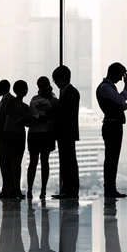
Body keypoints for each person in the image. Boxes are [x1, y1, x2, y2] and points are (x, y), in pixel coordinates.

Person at [96, 63, 127, 198]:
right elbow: (121, 101)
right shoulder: (105, 88)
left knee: (112, 158)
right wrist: (126, 87)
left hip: (113, 125)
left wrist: (122, 104)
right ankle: (109, 188)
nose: (121, 79)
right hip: (112, 126)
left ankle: (110, 188)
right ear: (114, 73)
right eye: (120, 76)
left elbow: (121, 103)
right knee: (111, 158)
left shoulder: (108, 88)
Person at [50, 65, 80, 199]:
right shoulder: (69, 92)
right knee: (67, 161)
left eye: (55, 80)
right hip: (67, 132)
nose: (55, 83)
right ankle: (68, 190)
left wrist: (52, 110)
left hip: (66, 132)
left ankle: (70, 191)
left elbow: (65, 114)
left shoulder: (70, 93)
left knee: (68, 162)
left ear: (61, 79)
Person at [26, 77, 58, 199]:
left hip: (40, 132)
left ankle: (38, 190)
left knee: (39, 162)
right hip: (41, 132)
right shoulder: (52, 100)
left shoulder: (52, 100)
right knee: (39, 162)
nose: (41, 89)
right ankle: (35, 190)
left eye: (42, 86)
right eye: (40, 86)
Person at [3, 80, 30, 199]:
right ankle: (15, 188)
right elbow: (27, 123)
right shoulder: (24, 106)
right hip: (17, 135)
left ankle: (12, 188)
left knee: (10, 162)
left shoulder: (12, 102)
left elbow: (6, 114)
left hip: (10, 134)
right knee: (15, 163)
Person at [0, 80, 14, 198]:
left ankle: (8, 189)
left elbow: (3, 122)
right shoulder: (4, 100)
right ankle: (6, 188)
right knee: (4, 164)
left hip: (5, 138)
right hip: (2, 138)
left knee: (6, 164)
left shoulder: (9, 101)